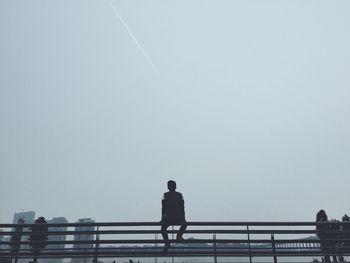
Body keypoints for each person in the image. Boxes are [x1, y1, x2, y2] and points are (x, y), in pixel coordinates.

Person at [161, 180, 187, 252]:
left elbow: (163, 208)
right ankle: (178, 236)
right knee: (185, 224)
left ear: (168, 187)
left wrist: (162, 218)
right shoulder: (180, 195)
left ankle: (167, 243)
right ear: (175, 186)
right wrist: (183, 218)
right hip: (178, 217)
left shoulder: (165, 195)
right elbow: (182, 207)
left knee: (163, 228)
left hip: (168, 218)